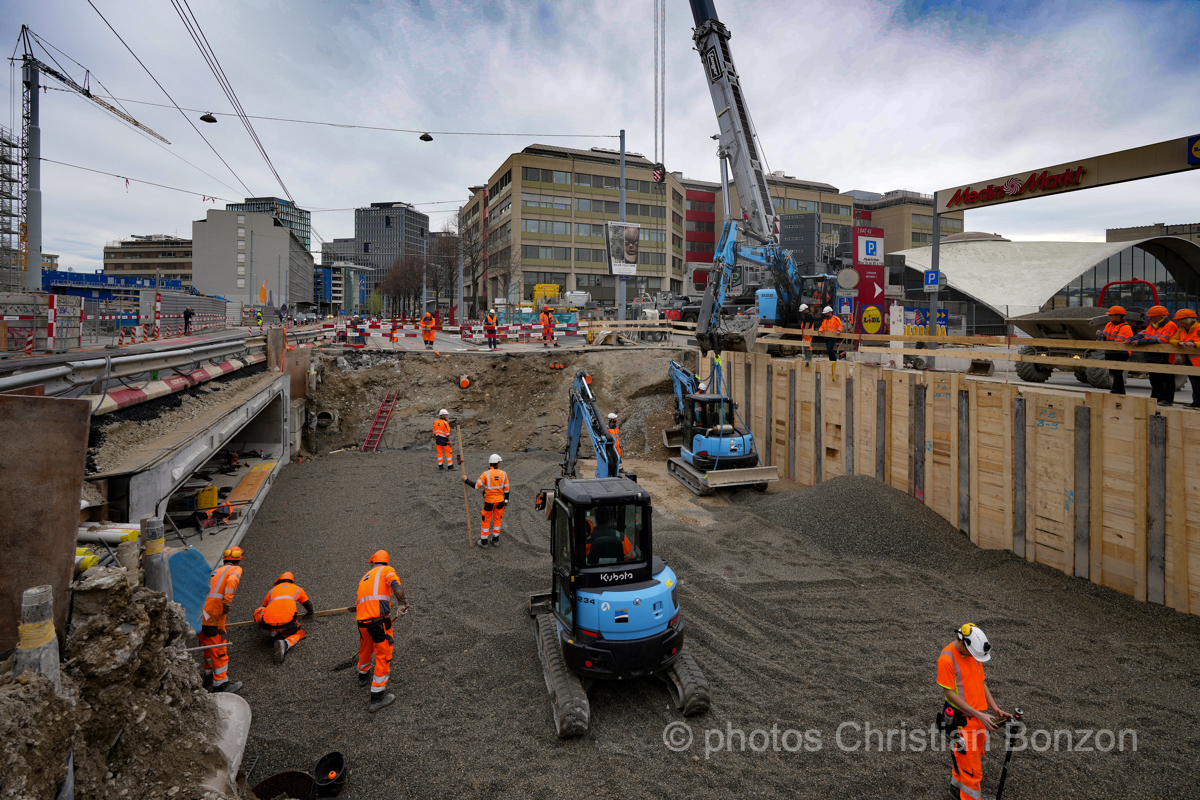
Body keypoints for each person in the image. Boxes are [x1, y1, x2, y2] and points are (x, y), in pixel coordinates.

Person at [937, 623, 1008, 800]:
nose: (973, 657)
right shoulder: (946, 659)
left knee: (963, 759)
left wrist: (995, 708)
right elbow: (949, 694)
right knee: (972, 771)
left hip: (978, 718)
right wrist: (979, 715)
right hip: (962, 722)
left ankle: (955, 788)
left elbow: (981, 682)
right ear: (963, 643)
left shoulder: (973, 654)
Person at [356, 550, 407, 713]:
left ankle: (363, 676)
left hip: (362, 622)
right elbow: (396, 586)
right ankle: (377, 697)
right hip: (378, 623)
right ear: (386, 562)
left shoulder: (365, 577)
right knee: (383, 655)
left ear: (373, 562)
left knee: (365, 648)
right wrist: (402, 603)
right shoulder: (387, 570)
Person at [199, 547, 244, 694]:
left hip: (201, 613)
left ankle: (208, 677)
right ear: (239, 560)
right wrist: (226, 602)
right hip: (213, 614)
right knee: (219, 649)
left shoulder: (215, 571)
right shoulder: (235, 570)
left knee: (207, 645)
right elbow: (232, 581)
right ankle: (220, 684)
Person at [253, 571, 314, 663]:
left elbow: (264, 607)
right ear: (292, 581)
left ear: (279, 581)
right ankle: (285, 644)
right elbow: (308, 605)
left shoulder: (272, 591)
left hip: (268, 624)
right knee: (300, 632)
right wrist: (310, 612)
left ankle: (274, 632)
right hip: (288, 626)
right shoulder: (297, 589)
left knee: (259, 611)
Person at [1130, 305, 1177, 406]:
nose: (1150, 318)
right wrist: (1131, 339)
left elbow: (1162, 340)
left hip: (1165, 357)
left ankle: (1167, 400)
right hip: (1152, 356)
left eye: (1153, 317)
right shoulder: (1153, 325)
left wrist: (1141, 342)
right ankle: (1156, 397)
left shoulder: (1170, 325)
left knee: (1166, 379)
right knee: (1154, 379)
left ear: (1161, 317)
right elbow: (1143, 333)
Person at [464, 454, 509, 548]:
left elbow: (476, 486)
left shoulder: (486, 474)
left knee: (486, 520)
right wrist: (506, 500)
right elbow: (507, 489)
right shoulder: (504, 474)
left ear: (490, 463)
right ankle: (495, 539)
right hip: (500, 501)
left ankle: (484, 541)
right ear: (498, 463)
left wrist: (466, 480)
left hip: (489, 502)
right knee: (497, 519)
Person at [1096, 305, 1133, 395]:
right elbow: (1105, 335)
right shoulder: (1109, 325)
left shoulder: (1125, 327)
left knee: (1117, 371)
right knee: (1113, 371)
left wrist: (1105, 339)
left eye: (1111, 315)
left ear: (1118, 316)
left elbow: (1118, 342)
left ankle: (1115, 390)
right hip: (1110, 350)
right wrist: (1100, 334)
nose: (1109, 317)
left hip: (1121, 352)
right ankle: (1120, 391)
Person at [1171, 308, 1200, 408]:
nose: (1176, 321)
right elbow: (1172, 340)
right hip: (1189, 360)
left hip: (1198, 361)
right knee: (1194, 382)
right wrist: (1180, 343)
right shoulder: (1182, 330)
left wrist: (1194, 344)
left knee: (1197, 383)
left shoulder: (1199, 328)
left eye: (1178, 320)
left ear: (1185, 320)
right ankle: (1196, 402)